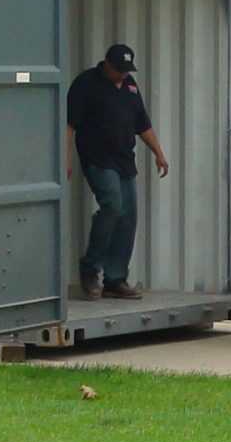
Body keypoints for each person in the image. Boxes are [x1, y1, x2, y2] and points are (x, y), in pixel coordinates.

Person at [66, 43, 168, 301]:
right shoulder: (86, 83)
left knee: (128, 216)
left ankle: (115, 279)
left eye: (126, 70)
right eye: (118, 70)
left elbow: (142, 124)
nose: (122, 75)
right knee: (112, 205)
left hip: (125, 159)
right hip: (97, 158)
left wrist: (158, 152)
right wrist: (65, 159)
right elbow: (70, 125)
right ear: (107, 64)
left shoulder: (130, 86)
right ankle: (90, 269)